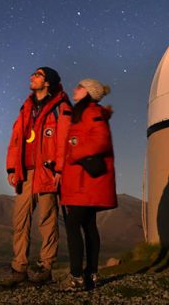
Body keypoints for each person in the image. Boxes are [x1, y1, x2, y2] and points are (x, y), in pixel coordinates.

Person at [4, 67, 72, 285]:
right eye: (32, 74)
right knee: (20, 221)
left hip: (48, 172)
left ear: (48, 82)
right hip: (26, 172)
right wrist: (12, 168)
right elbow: (16, 139)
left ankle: (46, 267)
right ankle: (19, 268)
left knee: (47, 220)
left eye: (38, 75)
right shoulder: (26, 108)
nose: (31, 77)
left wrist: (60, 169)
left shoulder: (60, 108)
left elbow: (65, 141)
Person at [57, 78, 117, 291]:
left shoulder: (91, 112)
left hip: (86, 182)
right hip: (85, 181)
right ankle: (91, 275)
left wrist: (74, 154)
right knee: (88, 226)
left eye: (80, 86)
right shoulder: (87, 113)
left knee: (73, 225)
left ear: (89, 92)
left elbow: (101, 141)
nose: (75, 88)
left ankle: (77, 277)